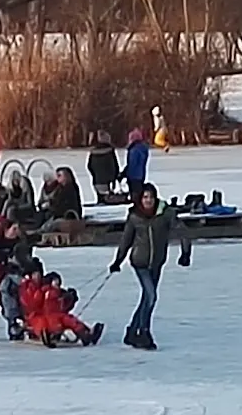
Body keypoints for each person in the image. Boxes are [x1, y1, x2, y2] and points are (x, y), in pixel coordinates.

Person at [108, 182, 191, 351]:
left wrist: (185, 253)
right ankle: (144, 332)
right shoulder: (135, 216)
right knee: (151, 296)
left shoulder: (165, 213)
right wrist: (117, 261)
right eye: (145, 197)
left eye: (151, 197)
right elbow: (126, 240)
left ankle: (132, 331)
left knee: (147, 297)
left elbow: (183, 232)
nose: (148, 200)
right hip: (140, 262)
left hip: (157, 263)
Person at [30, 271, 103, 347]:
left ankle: (86, 335)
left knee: (73, 321)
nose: (57, 284)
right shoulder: (43, 291)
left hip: (60, 315)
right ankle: (46, 335)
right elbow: (35, 303)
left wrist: (72, 298)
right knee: (47, 324)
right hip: (47, 315)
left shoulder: (61, 292)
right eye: (55, 282)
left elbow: (65, 306)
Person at [87, 131, 122, 203]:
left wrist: (94, 174)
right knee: (108, 198)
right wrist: (115, 176)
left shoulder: (93, 152)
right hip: (108, 180)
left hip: (97, 180)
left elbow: (89, 166)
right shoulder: (110, 152)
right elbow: (114, 165)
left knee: (100, 197)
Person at [124, 129, 151, 202]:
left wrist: (125, 173)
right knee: (138, 191)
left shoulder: (134, 150)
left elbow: (132, 164)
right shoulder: (143, 149)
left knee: (135, 194)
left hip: (133, 176)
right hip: (141, 175)